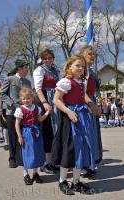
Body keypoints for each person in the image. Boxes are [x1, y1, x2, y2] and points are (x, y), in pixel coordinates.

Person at [51, 55, 96, 195]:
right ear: (70, 66)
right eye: (77, 65)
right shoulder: (66, 81)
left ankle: (76, 182)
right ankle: (62, 181)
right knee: (69, 149)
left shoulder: (81, 82)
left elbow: (82, 98)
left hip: (82, 118)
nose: (81, 68)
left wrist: (90, 105)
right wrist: (69, 112)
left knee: (81, 149)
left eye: (83, 66)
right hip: (70, 119)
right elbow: (56, 100)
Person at [0, 59, 31, 168]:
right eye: (26, 67)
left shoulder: (28, 82)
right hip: (12, 112)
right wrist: (13, 104)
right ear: (20, 68)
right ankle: (12, 158)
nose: (27, 70)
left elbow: (30, 96)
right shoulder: (10, 79)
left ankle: (21, 157)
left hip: (25, 113)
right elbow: (2, 94)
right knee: (13, 136)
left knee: (23, 135)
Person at [14, 87, 50, 185]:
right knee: (27, 154)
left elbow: (40, 119)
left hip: (36, 132)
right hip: (26, 133)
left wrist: (47, 113)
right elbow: (17, 124)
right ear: (21, 99)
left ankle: (35, 173)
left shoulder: (37, 108)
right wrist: (19, 136)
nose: (26, 100)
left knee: (37, 153)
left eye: (28, 98)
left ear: (32, 98)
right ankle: (25, 174)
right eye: (24, 99)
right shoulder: (20, 109)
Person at [33, 49, 60, 174]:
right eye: (45, 58)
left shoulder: (55, 70)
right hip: (44, 100)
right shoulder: (39, 70)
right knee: (47, 131)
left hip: (55, 100)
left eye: (50, 58)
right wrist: (45, 103)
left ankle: (52, 161)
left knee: (54, 131)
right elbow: (38, 89)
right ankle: (45, 163)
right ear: (42, 60)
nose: (48, 60)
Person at [79, 45, 103, 177]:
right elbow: (81, 91)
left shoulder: (92, 72)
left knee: (92, 135)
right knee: (84, 135)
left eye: (93, 54)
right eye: (89, 54)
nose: (92, 56)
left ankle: (90, 163)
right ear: (82, 55)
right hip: (83, 104)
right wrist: (92, 105)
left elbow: (94, 90)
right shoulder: (81, 71)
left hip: (91, 102)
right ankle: (83, 166)